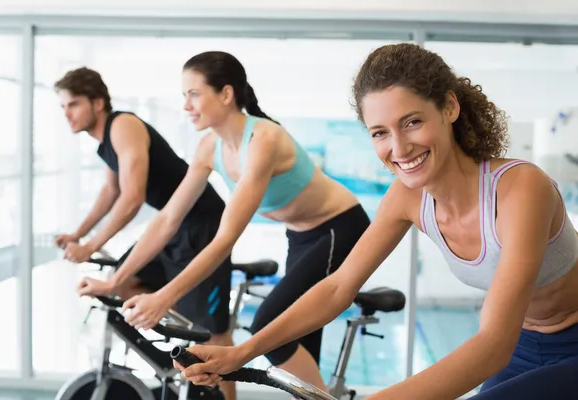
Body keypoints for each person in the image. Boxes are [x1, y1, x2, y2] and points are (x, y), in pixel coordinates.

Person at [177, 43, 578, 400]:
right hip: (525, 343)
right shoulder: (407, 197)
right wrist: (241, 352)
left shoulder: (520, 189)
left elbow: (493, 343)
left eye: (413, 122)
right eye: (380, 132)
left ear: (450, 108)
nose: (398, 148)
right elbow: (338, 288)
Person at [114, 50, 370, 395]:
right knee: (297, 338)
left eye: (194, 94)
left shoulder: (263, 140)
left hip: (340, 227)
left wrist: (163, 297)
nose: (187, 105)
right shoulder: (210, 147)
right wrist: (116, 279)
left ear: (226, 93)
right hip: (301, 237)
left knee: (271, 326)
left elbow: (224, 239)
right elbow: (168, 218)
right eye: (183, 96)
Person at [52, 67, 236, 399]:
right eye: (63, 107)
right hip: (172, 227)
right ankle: (171, 364)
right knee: (121, 285)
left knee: (214, 332)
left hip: (201, 224)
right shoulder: (104, 142)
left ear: (97, 103)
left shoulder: (122, 125)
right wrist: (78, 235)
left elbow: (132, 198)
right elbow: (110, 193)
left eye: (73, 104)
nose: (67, 114)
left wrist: (92, 244)